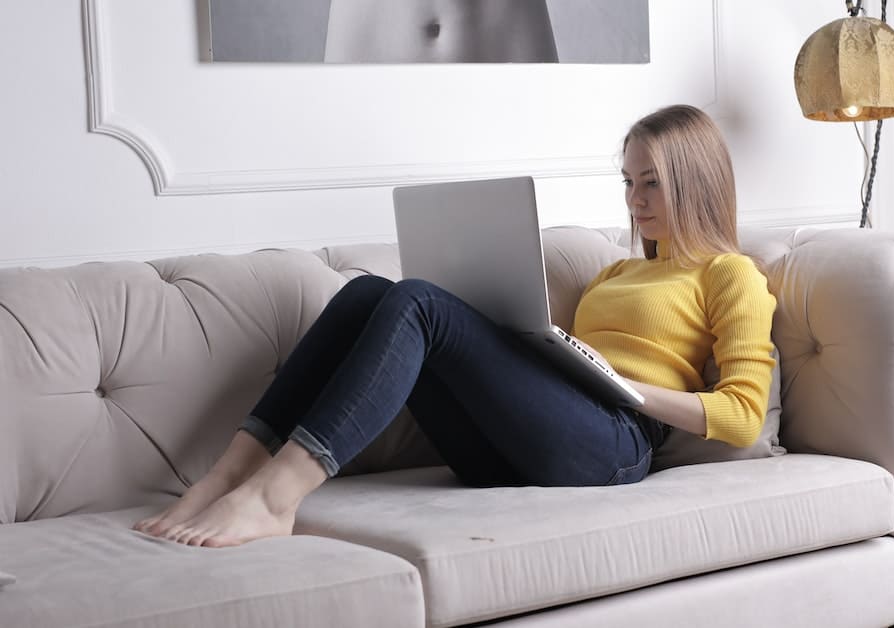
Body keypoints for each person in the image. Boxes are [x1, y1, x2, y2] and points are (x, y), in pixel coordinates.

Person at [134, 104, 777, 548]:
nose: (635, 202)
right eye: (628, 183)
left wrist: (630, 391)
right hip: (520, 444)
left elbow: (743, 415)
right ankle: (225, 478)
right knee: (365, 295)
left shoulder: (729, 274)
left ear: (694, 185)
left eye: (652, 184)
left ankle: (278, 497)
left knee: (418, 301)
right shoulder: (613, 274)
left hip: (613, 444)